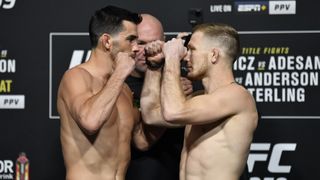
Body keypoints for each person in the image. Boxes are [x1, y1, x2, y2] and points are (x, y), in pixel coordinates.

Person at [141, 23, 258, 180]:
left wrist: (172, 57)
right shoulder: (198, 99)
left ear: (214, 55)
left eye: (192, 50)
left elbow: (173, 112)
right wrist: (154, 67)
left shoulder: (237, 96)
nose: (186, 57)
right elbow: (151, 115)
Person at [57, 6, 162, 180]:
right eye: (131, 40)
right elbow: (90, 121)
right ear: (107, 41)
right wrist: (120, 73)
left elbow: (142, 141)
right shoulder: (75, 77)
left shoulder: (125, 90)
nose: (136, 49)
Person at [125, 14, 193, 180]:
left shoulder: (182, 80)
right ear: (130, 43)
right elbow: (143, 142)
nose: (149, 49)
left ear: (164, 41)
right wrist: (174, 100)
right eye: (141, 43)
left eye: (155, 42)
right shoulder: (119, 86)